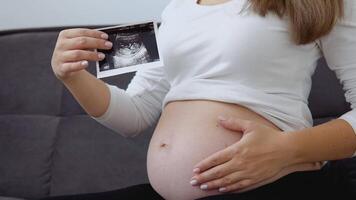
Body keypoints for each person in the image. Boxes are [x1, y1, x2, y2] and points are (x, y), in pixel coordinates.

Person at [47, 0, 356, 199]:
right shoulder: (178, 10)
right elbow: (134, 114)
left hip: (265, 184)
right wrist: (72, 76)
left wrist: (286, 149)